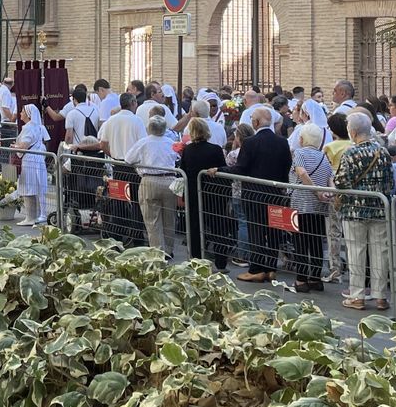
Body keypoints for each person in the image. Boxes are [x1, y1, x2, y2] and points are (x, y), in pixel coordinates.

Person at [333, 113, 392, 311]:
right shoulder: (383, 152)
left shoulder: (351, 153)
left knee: (356, 251)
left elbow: (341, 182)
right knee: (380, 252)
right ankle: (380, 296)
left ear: (353, 131)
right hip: (379, 208)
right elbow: (390, 182)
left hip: (354, 210)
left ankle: (357, 295)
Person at [232, 104, 292, 283]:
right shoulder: (282, 141)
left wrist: (219, 170)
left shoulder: (250, 142)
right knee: (274, 231)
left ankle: (256, 269)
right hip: (276, 193)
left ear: (256, 122)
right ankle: (271, 268)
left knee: (256, 230)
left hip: (254, 194)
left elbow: (241, 168)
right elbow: (286, 166)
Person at [125, 111, 179, 252]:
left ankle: (157, 250)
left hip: (149, 180)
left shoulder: (143, 142)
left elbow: (128, 159)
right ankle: (169, 250)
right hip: (169, 181)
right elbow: (178, 157)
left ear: (149, 128)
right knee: (169, 218)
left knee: (152, 219)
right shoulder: (171, 143)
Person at [288, 124, 332, 293]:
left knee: (300, 241)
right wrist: (327, 194)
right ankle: (315, 277)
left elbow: (301, 173)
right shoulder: (323, 156)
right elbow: (330, 177)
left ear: (301, 139)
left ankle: (301, 279)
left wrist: (316, 191)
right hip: (319, 207)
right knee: (315, 241)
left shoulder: (299, 153)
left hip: (300, 203)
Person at [179, 117, 227, 265]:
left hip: (193, 192)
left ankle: (196, 258)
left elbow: (183, 170)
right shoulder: (215, 149)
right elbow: (223, 170)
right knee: (218, 226)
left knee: (194, 225)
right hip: (213, 194)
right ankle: (220, 260)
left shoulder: (187, 150)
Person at [14, 103, 52, 227]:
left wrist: (14, 146)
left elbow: (24, 146)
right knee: (37, 187)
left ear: (29, 115)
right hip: (39, 159)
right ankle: (35, 215)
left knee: (28, 188)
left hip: (30, 160)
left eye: (22, 111)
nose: (20, 113)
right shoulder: (39, 127)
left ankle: (30, 217)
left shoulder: (28, 128)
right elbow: (47, 141)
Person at [97, 92, 144, 161]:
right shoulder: (137, 120)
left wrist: (112, 155)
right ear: (133, 103)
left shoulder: (110, 120)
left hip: (116, 162)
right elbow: (143, 143)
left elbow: (103, 144)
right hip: (132, 164)